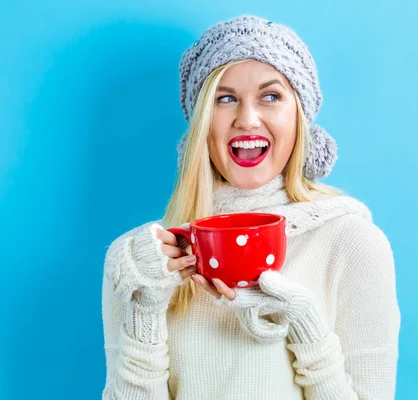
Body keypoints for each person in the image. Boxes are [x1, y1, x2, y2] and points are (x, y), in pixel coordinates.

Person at [101, 14, 401, 400]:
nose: (247, 119)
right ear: (202, 123)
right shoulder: (141, 260)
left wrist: (306, 326)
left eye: (271, 96)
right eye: (225, 99)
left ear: (298, 117)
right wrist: (144, 309)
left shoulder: (352, 243)